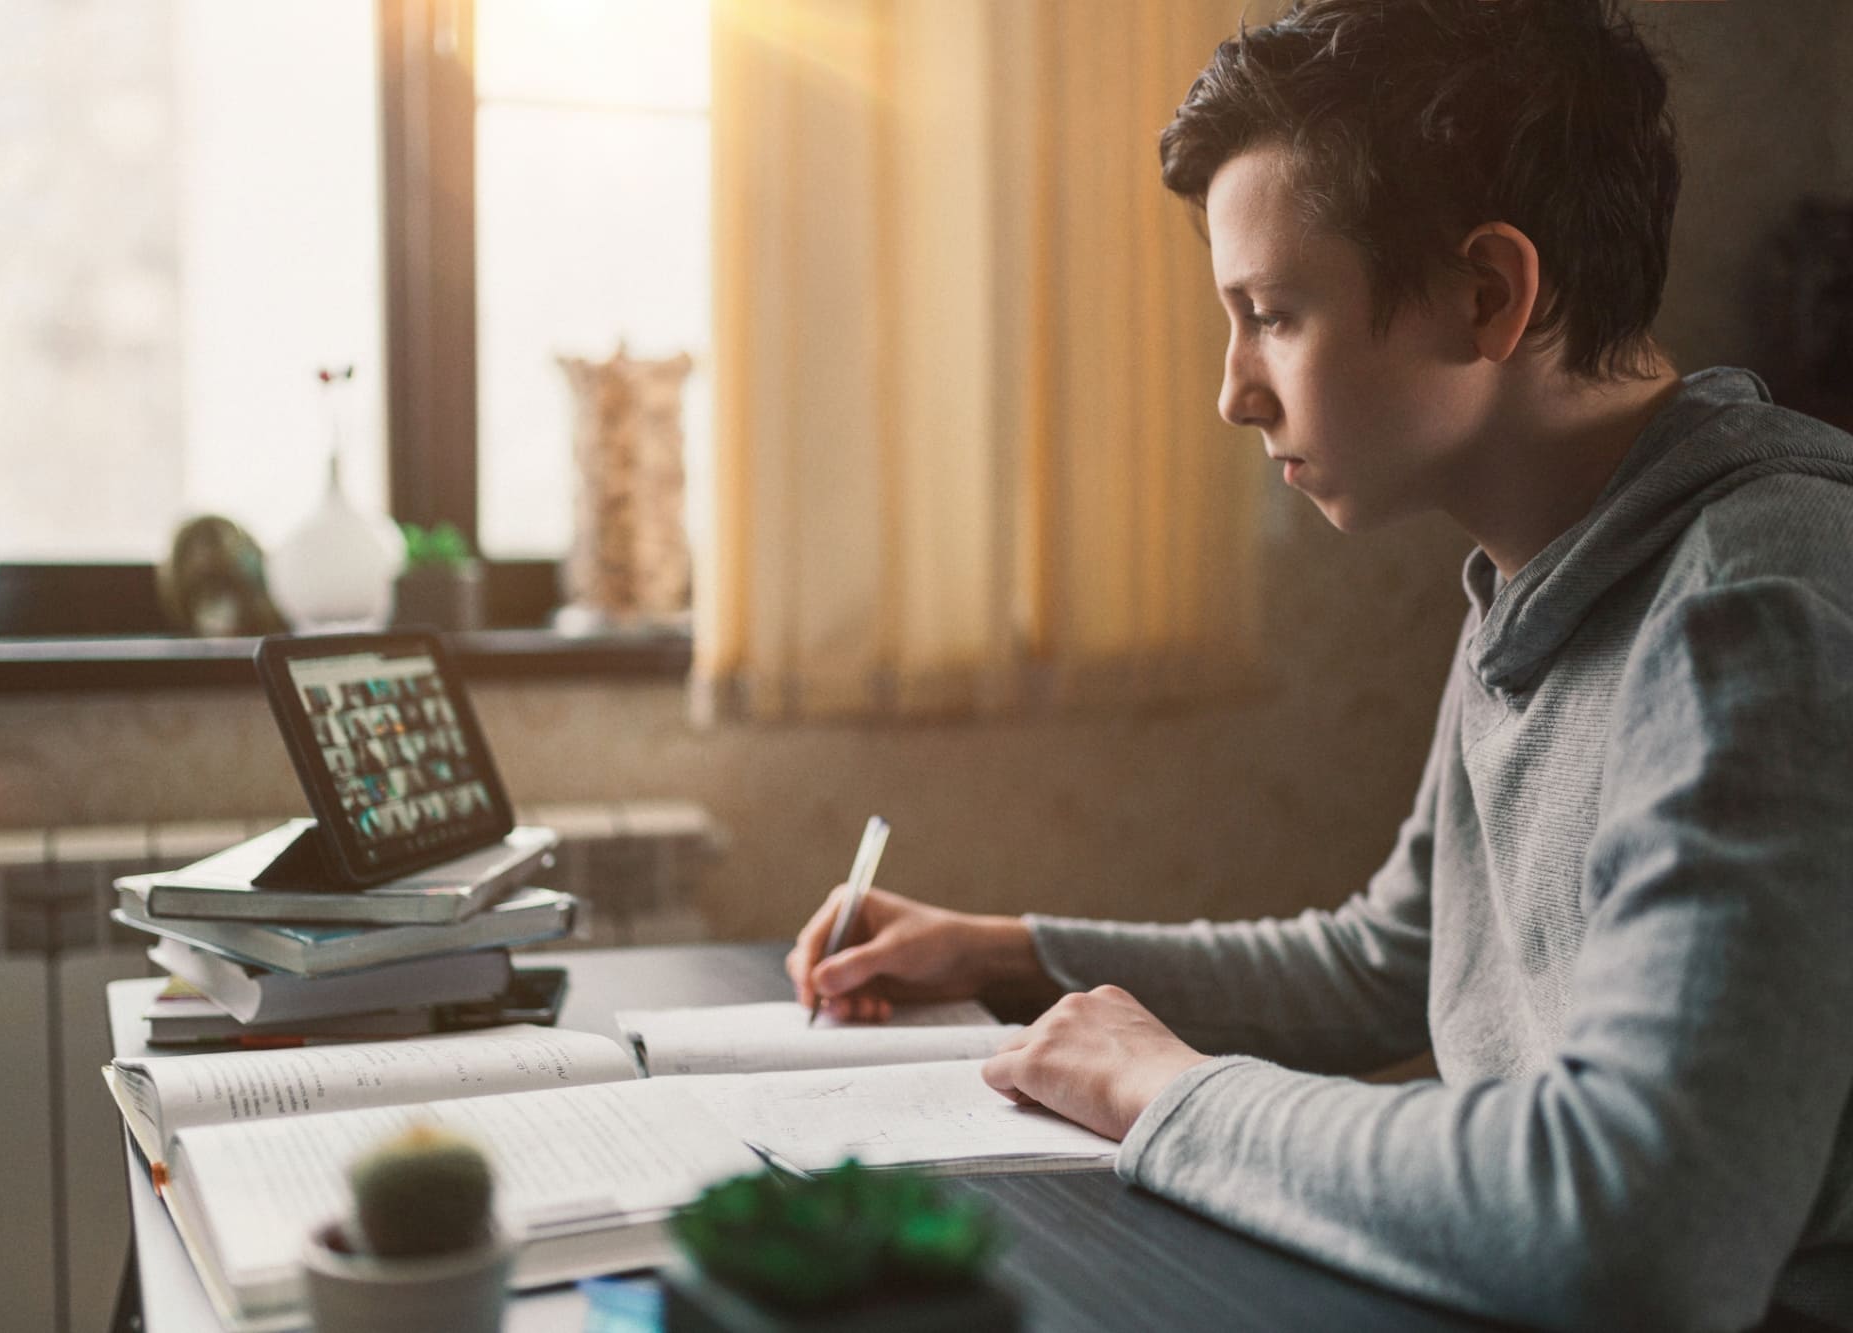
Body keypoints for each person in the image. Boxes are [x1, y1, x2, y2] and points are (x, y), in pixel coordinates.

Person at [786, 2, 1853, 1329]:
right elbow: (1397, 960)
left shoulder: (1760, 605)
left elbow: (1645, 1229)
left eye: (1272, 314)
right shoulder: (1544, 575)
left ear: (1488, 295)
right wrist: (1003, 952)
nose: (1233, 389)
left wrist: (1161, 1090)